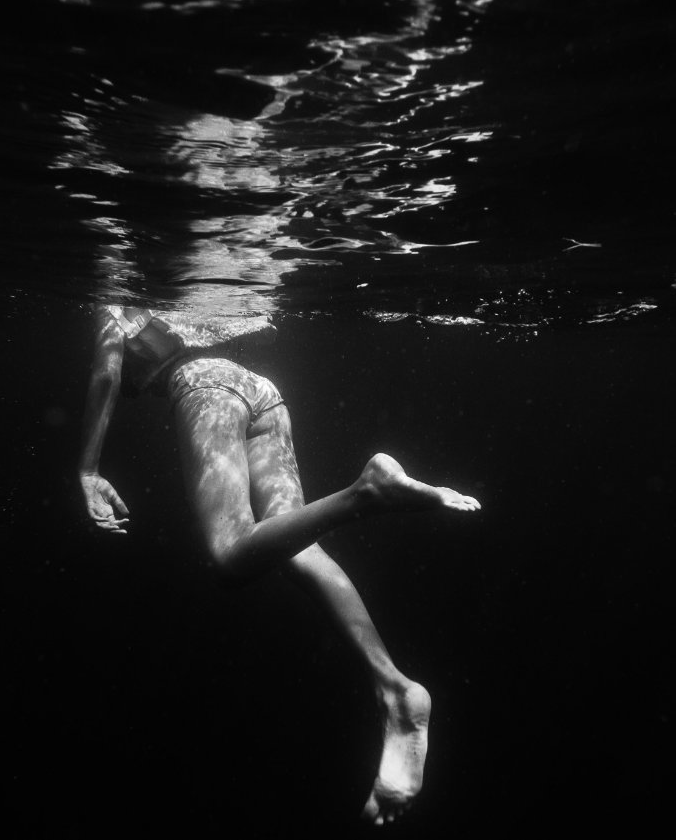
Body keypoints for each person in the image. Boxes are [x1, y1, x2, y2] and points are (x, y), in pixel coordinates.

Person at [77, 305, 480, 826]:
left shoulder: (117, 293)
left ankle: (366, 494)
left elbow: (108, 369)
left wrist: (87, 469)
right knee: (296, 546)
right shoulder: (183, 286)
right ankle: (396, 690)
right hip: (265, 394)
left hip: (204, 390)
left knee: (229, 555)